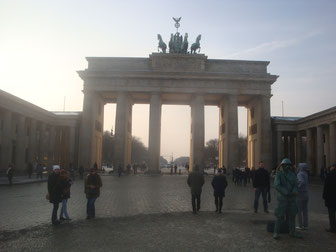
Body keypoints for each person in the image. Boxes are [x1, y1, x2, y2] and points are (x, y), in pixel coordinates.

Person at [273, 158, 302, 239]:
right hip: (283, 198)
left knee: (292, 215)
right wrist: (286, 192)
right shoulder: (279, 174)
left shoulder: (292, 174)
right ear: (282, 165)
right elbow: (277, 185)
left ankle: (292, 232)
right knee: (279, 216)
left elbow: (296, 185)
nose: (287, 167)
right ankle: (276, 232)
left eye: (288, 165)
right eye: (285, 165)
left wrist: (294, 191)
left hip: (291, 198)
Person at [323, 163, 336, 233]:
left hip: (330, 198)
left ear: (333, 167)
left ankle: (333, 227)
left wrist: (324, 196)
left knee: (331, 214)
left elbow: (326, 187)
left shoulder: (330, 175)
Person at [296, 163, 309, 230]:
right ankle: (306, 225)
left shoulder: (300, 174)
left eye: (298, 166)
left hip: (300, 194)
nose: (298, 167)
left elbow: (301, 182)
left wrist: (297, 189)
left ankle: (300, 225)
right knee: (305, 211)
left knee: (299, 211)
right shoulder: (305, 173)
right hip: (306, 194)